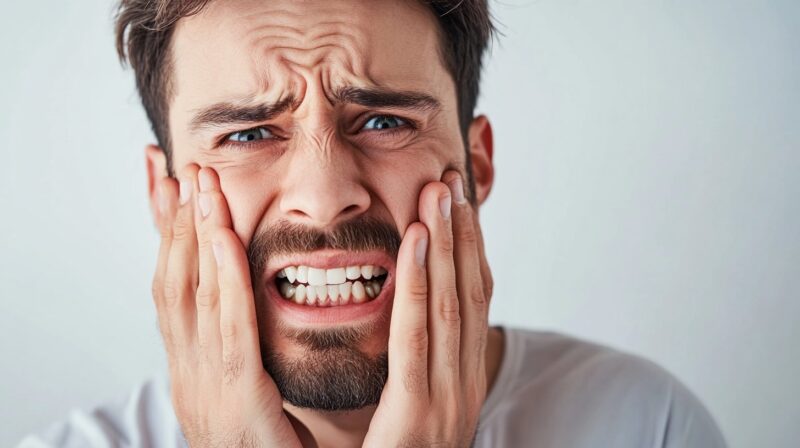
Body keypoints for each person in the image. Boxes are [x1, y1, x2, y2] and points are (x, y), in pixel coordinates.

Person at [19, 0, 727, 447]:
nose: (325, 199)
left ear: (475, 163)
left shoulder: (645, 423)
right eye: (247, 134)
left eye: (384, 121)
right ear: (164, 193)